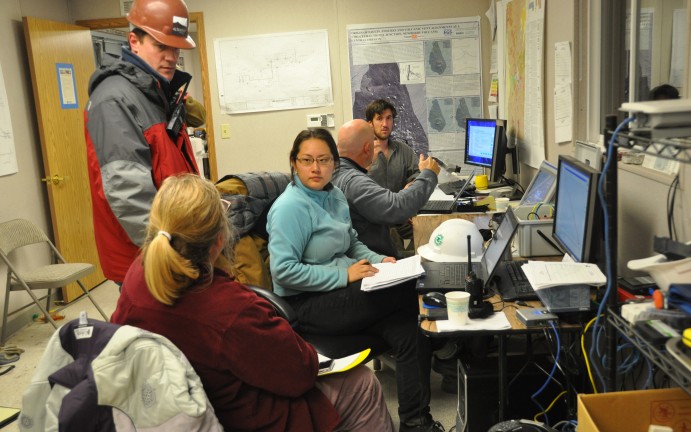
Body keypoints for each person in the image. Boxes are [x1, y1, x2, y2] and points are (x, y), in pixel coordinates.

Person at [111, 173, 394, 432]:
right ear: (219, 240)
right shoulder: (231, 309)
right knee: (361, 383)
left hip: (160, 407)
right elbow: (299, 373)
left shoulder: (138, 275)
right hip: (239, 416)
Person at [267, 128, 443, 432]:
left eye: (324, 160)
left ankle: (415, 423)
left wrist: (379, 260)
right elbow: (283, 271)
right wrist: (343, 274)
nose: (315, 168)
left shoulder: (334, 195)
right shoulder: (289, 207)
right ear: (294, 163)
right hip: (307, 304)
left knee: (409, 329)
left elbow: (352, 243)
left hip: (346, 293)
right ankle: (452, 344)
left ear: (334, 163)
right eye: (307, 160)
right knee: (410, 290)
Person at [84, 0, 199, 284]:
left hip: (176, 245)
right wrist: (169, 253)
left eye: (176, 49)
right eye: (161, 46)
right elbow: (128, 193)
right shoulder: (115, 99)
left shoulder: (156, 91)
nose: (171, 57)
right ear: (134, 41)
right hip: (151, 259)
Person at [332, 119, 440, 258]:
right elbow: (397, 207)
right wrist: (428, 174)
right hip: (376, 260)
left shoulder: (333, 173)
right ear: (368, 148)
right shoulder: (354, 182)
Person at [366, 99, 420, 193]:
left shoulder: (404, 150)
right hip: (371, 202)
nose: (385, 124)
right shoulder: (362, 152)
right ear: (370, 123)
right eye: (379, 118)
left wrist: (412, 185)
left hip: (401, 201)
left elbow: (417, 175)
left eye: (388, 118)